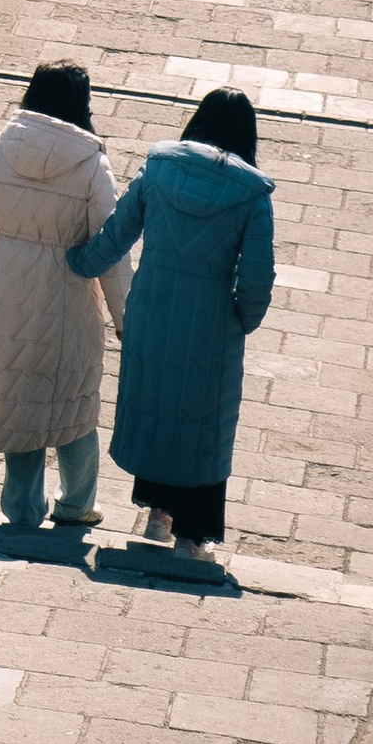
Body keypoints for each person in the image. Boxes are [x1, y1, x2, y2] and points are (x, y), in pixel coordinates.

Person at [66, 86, 275, 562]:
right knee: (203, 421)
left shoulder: (159, 167)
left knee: (158, 404)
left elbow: (117, 233)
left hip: (153, 309)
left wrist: (78, 262)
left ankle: (158, 514)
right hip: (211, 321)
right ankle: (192, 537)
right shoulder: (252, 194)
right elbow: (257, 276)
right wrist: (243, 319)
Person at [0, 60, 131, 532]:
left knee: (19, 396)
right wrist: (125, 317)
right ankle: (77, 504)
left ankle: (22, 509)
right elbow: (110, 248)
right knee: (75, 402)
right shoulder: (91, 164)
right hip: (68, 293)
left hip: (6, 285)